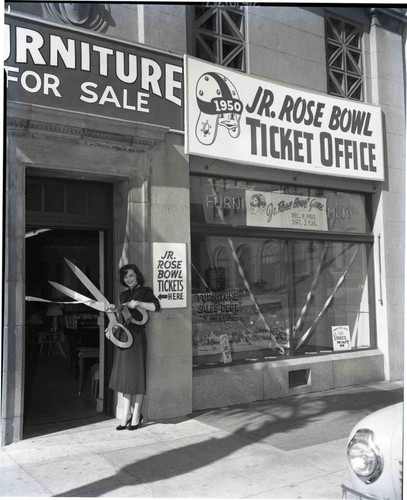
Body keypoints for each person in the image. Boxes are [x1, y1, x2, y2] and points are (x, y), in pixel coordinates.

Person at [105, 263, 160, 430]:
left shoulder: (145, 291)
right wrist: (111, 328)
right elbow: (121, 318)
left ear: (137, 276)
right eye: (125, 276)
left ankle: (136, 414)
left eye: (130, 276)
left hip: (136, 337)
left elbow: (156, 307)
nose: (127, 279)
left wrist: (139, 303)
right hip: (123, 336)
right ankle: (126, 414)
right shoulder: (122, 295)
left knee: (136, 376)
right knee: (125, 377)